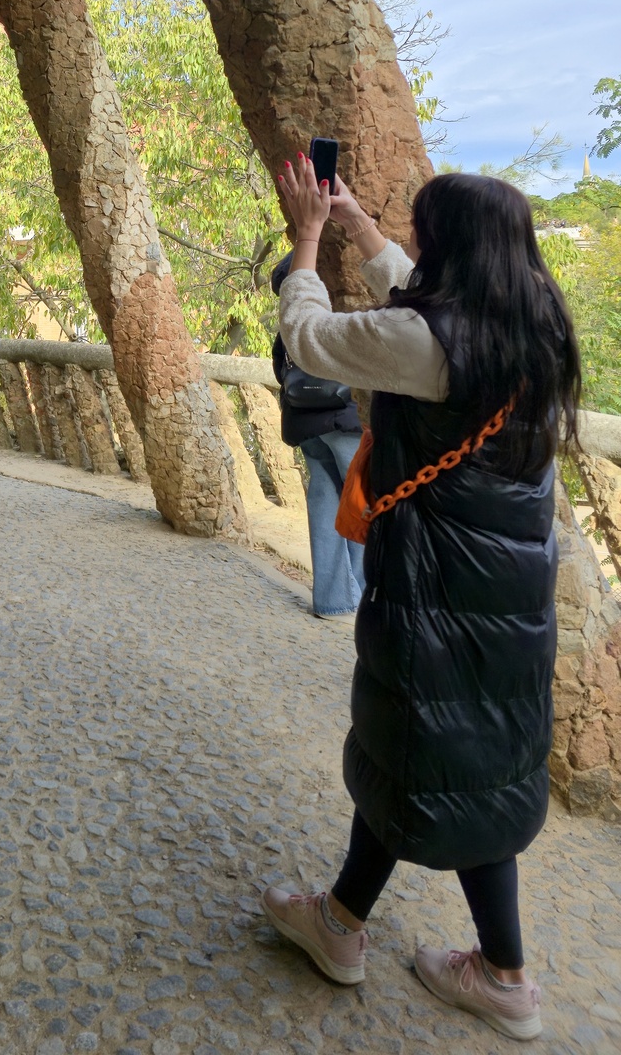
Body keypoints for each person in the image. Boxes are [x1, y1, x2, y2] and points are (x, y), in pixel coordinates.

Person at [259, 156, 578, 1042]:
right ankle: (492, 971)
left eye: (427, 236)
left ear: (454, 252)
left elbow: (310, 339)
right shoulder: (534, 330)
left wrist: (311, 237)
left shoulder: (430, 342)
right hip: (510, 591)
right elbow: (421, 309)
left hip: (437, 582)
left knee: (414, 741)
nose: (418, 251)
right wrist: (361, 223)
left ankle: (341, 926)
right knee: (469, 755)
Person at [270, 252, 365, 617]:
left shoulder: (290, 325)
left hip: (304, 422)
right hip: (344, 420)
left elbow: (281, 371)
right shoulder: (332, 315)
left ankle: (332, 600)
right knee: (362, 498)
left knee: (324, 498)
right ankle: (368, 595)